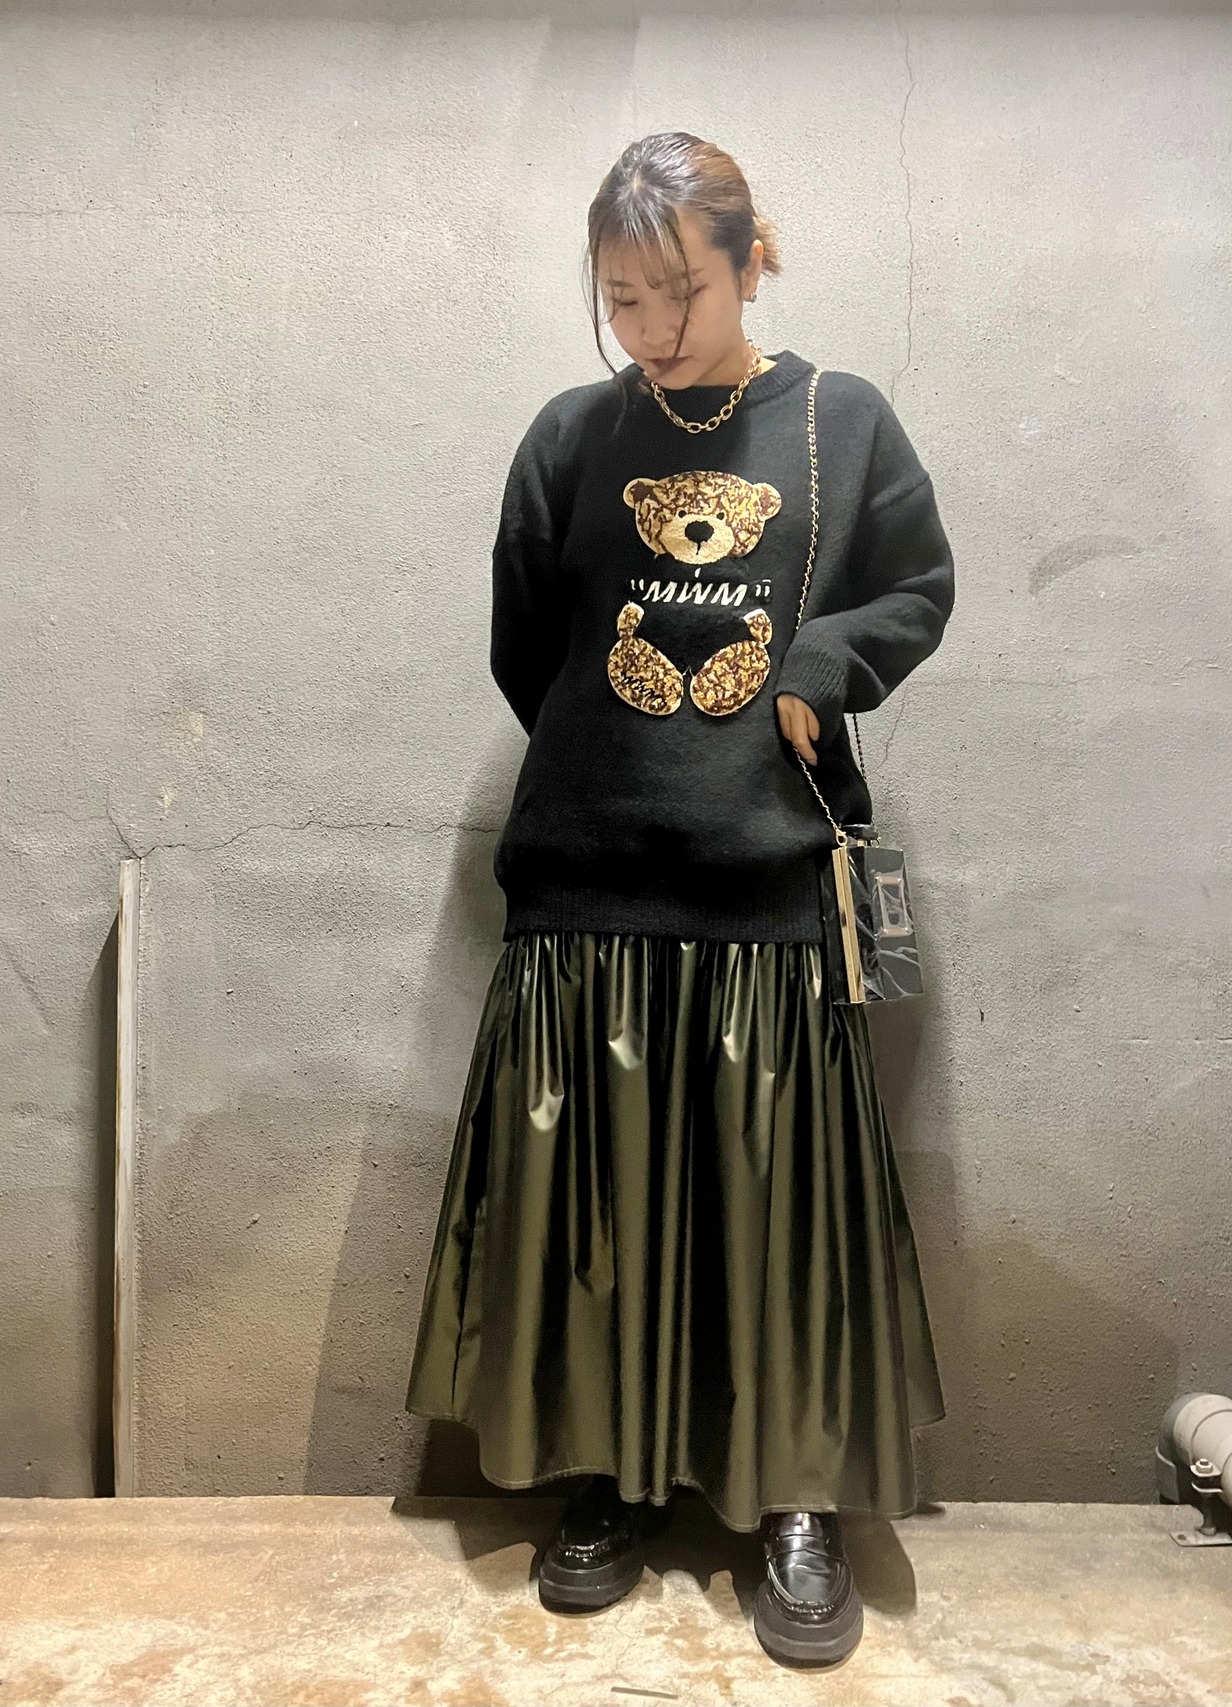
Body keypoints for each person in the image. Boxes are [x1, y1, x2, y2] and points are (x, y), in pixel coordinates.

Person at [405, 130, 955, 1669]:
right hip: (588, 883)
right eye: (621, 300)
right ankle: (604, 1479)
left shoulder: (841, 422)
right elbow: (532, 647)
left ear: (752, 260)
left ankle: (796, 1502)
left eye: (680, 293)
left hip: (767, 879)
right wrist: (618, 753)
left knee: (777, 1217)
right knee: (598, 1207)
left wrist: (821, 664)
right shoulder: (571, 439)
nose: (651, 331)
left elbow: (918, 585)